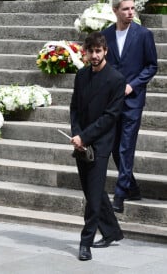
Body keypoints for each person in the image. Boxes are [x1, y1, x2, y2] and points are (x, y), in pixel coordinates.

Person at [69, 32, 126, 261]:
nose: (94, 55)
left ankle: (86, 243)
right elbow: (75, 108)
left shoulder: (116, 79)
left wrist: (86, 137)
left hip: (100, 144)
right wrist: (77, 134)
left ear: (105, 51)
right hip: (81, 142)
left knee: (92, 197)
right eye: (90, 51)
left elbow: (110, 117)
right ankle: (112, 231)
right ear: (86, 51)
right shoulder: (81, 76)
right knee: (93, 191)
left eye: (98, 51)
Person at [101, 0, 158, 213]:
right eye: (126, 9)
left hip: (133, 100)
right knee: (116, 147)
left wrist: (132, 85)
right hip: (112, 101)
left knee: (126, 147)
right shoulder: (106, 35)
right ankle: (132, 187)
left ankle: (121, 194)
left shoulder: (144, 34)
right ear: (115, 10)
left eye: (132, 8)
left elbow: (151, 66)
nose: (131, 12)